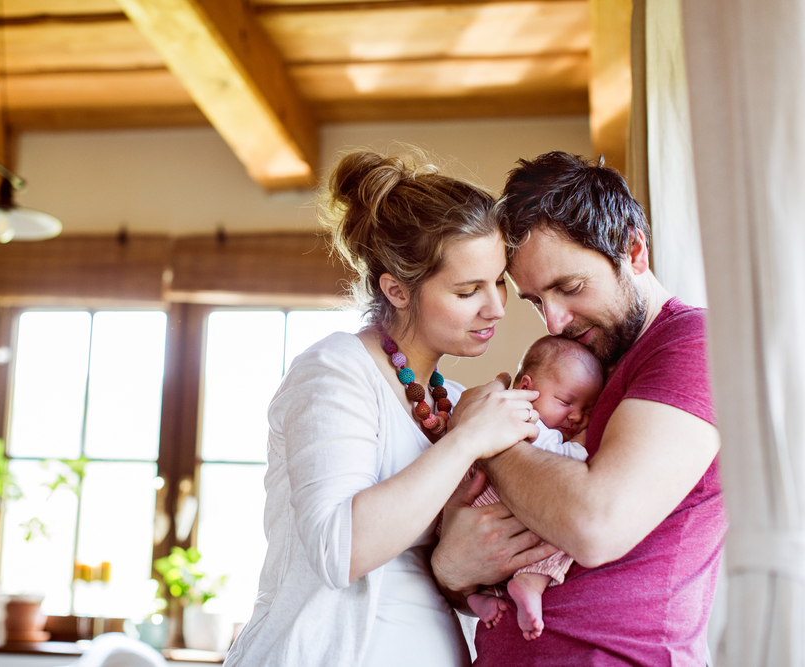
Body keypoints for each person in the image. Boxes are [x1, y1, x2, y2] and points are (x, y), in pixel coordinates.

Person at [223, 149, 551, 667]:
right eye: (468, 290)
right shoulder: (334, 371)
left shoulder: (452, 397)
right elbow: (341, 550)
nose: (496, 308)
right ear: (397, 290)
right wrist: (468, 439)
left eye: (499, 282)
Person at [432, 151, 726, 666]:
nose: (554, 320)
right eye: (535, 300)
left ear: (634, 251)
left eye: (568, 287)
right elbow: (478, 568)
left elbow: (595, 527)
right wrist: (454, 570)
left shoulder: (692, 345)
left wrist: (485, 434)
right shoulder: (584, 365)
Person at [466, 336, 603, 641]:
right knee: (566, 522)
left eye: (587, 409)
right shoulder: (529, 423)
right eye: (567, 402)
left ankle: (479, 595)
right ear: (526, 388)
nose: (577, 416)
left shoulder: (498, 410)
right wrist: (583, 442)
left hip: (470, 515)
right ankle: (532, 580)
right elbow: (563, 467)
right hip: (491, 504)